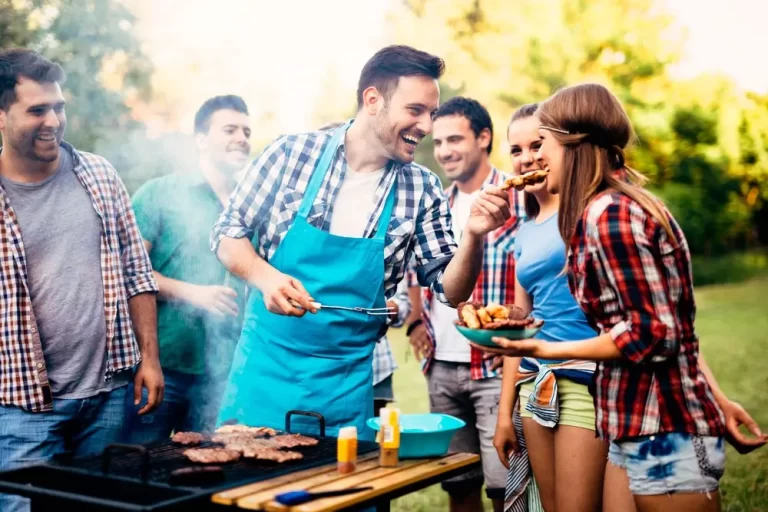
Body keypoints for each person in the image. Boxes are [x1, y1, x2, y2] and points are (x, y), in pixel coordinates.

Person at [477, 83, 768, 512]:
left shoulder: (609, 214)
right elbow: (663, 324)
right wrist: (717, 400)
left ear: (573, 143)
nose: (538, 157)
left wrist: (545, 347)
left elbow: (654, 335)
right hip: (632, 415)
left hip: (664, 422)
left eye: (547, 142)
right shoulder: (609, 207)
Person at [210, 45, 512, 441]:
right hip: (264, 373)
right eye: (415, 110)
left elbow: (452, 291)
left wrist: (472, 235)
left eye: (432, 113)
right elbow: (226, 234)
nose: (426, 125)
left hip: (345, 386)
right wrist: (266, 278)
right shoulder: (290, 154)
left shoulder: (421, 188)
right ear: (373, 100)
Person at [0, 48, 163, 512]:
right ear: (1, 117)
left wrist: (149, 358)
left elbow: (137, 272)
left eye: (59, 106)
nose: (53, 120)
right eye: (37, 110)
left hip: (108, 394)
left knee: (101, 508)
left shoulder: (99, 174)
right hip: (20, 405)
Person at [407, 97, 526, 512]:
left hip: (496, 368)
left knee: (504, 489)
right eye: (438, 142)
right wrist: (414, 323)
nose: (443, 151)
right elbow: (414, 270)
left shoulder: (519, 197)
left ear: (484, 138)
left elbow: (537, 279)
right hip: (441, 367)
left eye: (454, 139)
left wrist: (515, 338)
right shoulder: (434, 201)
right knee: (459, 484)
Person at [494, 103, 605, 512]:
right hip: (533, 383)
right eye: (516, 149)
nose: (527, 158)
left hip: (583, 376)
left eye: (538, 144)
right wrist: (505, 413)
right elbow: (519, 326)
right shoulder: (522, 231)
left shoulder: (587, 211)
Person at [122, 95, 252, 442]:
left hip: (225, 374)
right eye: (230, 129)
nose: (242, 137)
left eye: (246, 131)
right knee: (144, 473)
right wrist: (194, 293)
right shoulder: (160, 193)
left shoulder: (252, 204)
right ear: (201, 140)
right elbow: (126, 272)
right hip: (162, 368)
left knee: (213, 477)